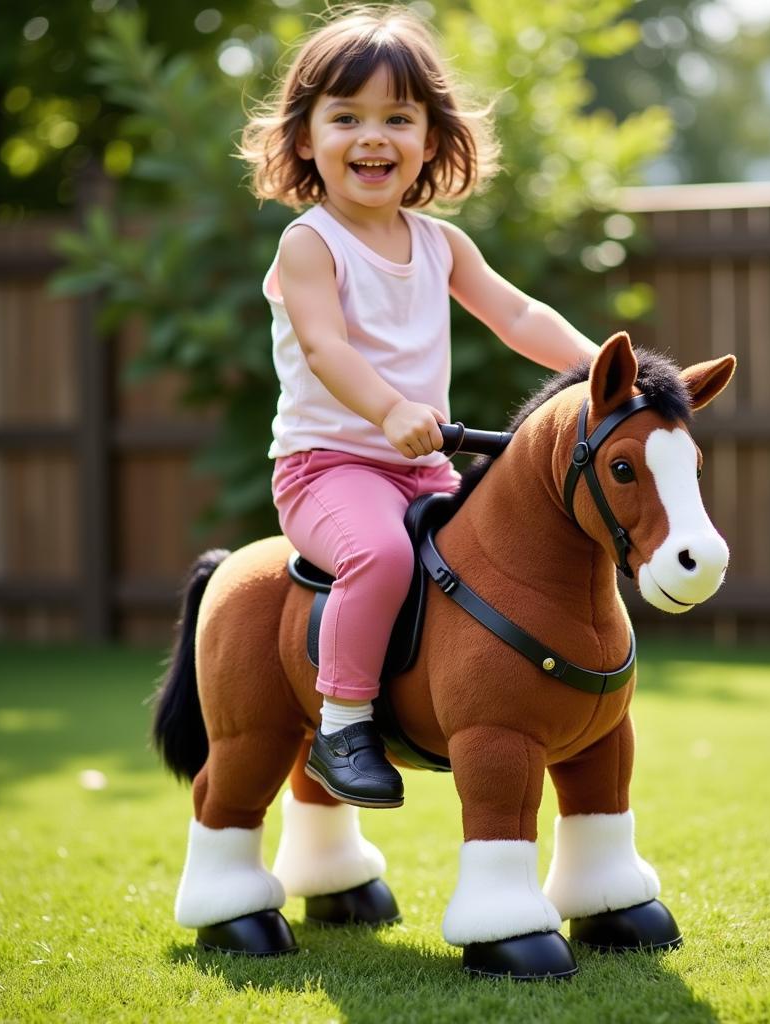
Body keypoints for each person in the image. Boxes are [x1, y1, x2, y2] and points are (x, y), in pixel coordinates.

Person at [240, 5, 599, 809]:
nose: (373, 137)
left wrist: (599, 366)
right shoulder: (310, 243)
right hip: (325, 468)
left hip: (421, 466)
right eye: (347, 117)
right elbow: (328, 349)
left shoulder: (439, 243)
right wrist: (390, 408)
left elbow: (517, 316)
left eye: (397, 117)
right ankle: (342, 721)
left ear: (430, 140)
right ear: (305, 138)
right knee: (383, 556)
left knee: (491, 562)